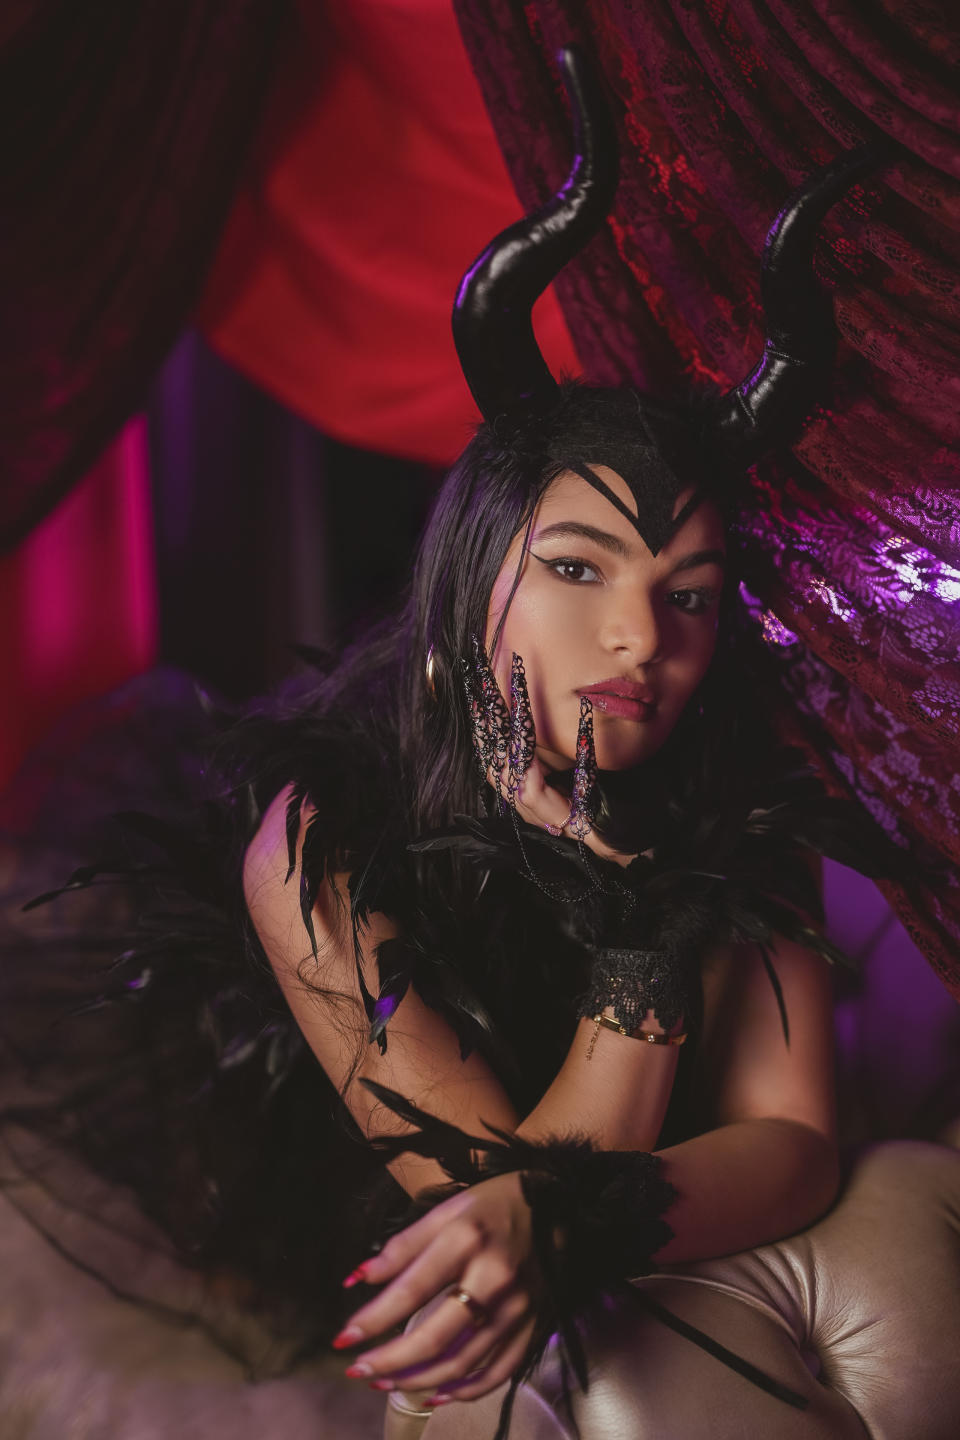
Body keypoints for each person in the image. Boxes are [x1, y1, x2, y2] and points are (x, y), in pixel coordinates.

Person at [0, 46, 909, 1440]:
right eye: (578, 568)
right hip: (356, 1193)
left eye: (689, 598)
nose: (639, 640)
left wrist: (575, 1190)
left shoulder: (738, 793)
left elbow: (789, 1145)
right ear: (472, 577)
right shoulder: (318, 843)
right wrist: (630, 973)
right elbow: (476, 1192)